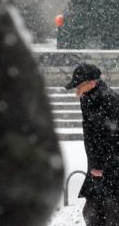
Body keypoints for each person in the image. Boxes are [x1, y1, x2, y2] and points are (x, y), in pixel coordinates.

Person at [66, 63, 119, 226]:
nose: (77, 91)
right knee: (94, 213)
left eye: (79, 86)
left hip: (108, 167)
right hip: (100, 167)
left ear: (92, 82)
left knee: (106, 213)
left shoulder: (106, 100)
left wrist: (99, 165)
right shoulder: (90, 97)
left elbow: (109, 137)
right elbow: (92, 134)